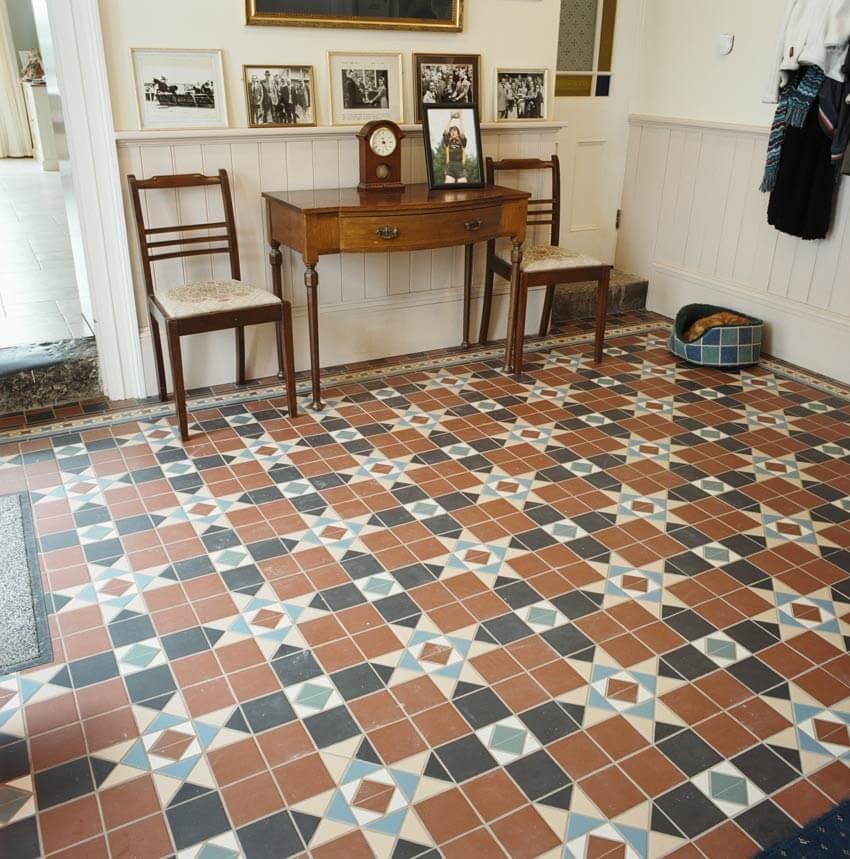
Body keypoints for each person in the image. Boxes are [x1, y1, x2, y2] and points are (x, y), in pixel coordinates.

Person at [440, 112, 468, 184]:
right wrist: (450, 118)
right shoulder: (448, 142)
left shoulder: (462, 142)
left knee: (463, 184)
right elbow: (445, 132)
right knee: (449, 185)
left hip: (460, 166)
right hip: (450, 166)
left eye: (455, 131)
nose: (453, 132)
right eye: (451, 131)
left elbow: (462, 132)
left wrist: (460, 118)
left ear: (458, 133)